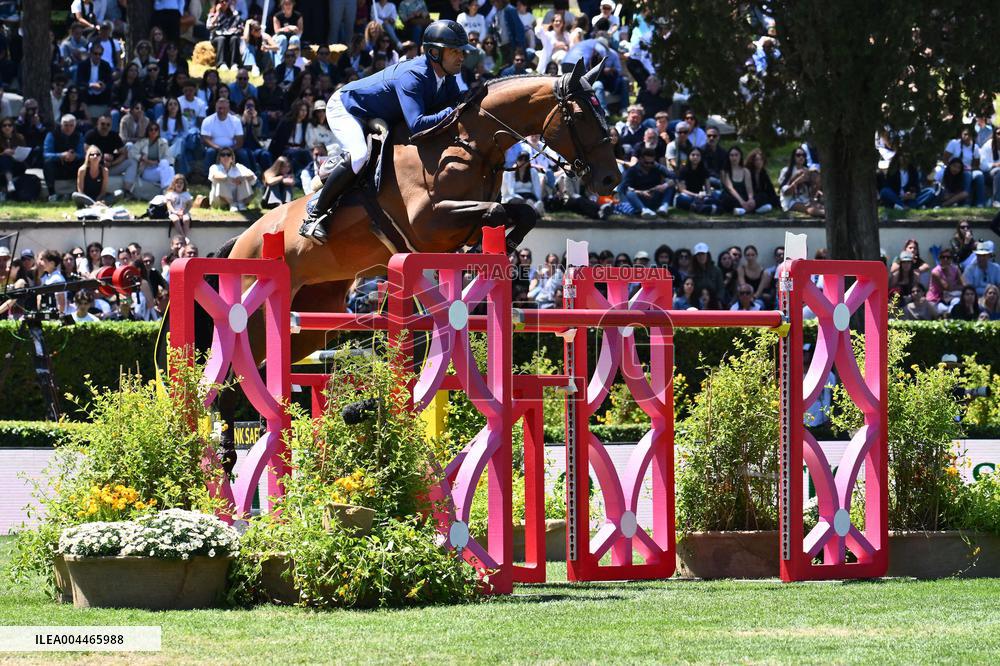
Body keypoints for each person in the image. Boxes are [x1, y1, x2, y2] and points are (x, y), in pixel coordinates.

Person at [299, 19, 474, 244]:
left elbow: (455, 109)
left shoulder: (447, 79)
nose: (461, 57)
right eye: (455, 51)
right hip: (348, 108)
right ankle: (316, 213)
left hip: (379, 113)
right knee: (360, 155)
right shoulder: (414, 75)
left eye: (462, 51)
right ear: (433, 52)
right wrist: (455, 110)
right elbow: (418, 124)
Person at [619, 147, 672, 217]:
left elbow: (673, 177)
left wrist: (664, 186)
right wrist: (641, 193)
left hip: (654, 196)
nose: (649, 165)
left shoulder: (656, 168)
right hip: (639, 198)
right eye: (646, 163)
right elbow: (625, 188)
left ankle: (663, 208)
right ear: (640, 159)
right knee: (630, 193)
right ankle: (644, 210)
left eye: (651, 163)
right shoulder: (632, 171)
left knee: (669, 186)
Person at [43, 115, 86, 202]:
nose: (68, 128)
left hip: (73, 165)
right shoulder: (51, 135)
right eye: (66, 125)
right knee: (47, 163)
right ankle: (52, 194)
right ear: (61, 125)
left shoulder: (79, 135)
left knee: (83, 162)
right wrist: (61, 155)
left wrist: (74, 156)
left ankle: (80, 193)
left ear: (75, 126)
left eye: (71, 125)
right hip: (58, 165)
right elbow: (46, 154)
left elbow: (82, 153)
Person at [939, 126, 984, 207]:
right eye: (965, 134)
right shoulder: (954, 143)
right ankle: (966, 202)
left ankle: (980, 203)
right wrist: (953, 168)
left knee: (979, 175)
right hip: (954, 168)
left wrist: (970, 168)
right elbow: (945, 159)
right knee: (967, 175)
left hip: (968, 169)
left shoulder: (975, 147)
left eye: (969, 135)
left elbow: (976, 165)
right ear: (961, 134)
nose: (967, 137)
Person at [779, 148, 824, 218]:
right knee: (809, 209)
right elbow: (785, 192)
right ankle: (827, 215)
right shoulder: (786, 170)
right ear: (793, 157)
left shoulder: (807, 170)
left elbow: (812, 194)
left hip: (805, 199)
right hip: (790, 201)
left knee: (819, 206)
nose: (801, 157)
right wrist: (797, 180)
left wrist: (817, 183)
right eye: (798, 155)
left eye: (804, 155)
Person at [130, 122, 175, 191]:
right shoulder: (143, 142)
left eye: (156, 129)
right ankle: (168, 189)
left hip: (158, 168)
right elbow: (132, 152)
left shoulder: (163, 142)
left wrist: (156, 162)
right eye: (151, 129)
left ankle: (167, 188)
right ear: (148, 131)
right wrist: (141, 158)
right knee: (167, 169)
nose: (153, 131)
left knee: (169, 168)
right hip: (146, 170)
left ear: (158, 131)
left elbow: (170, 159)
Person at [673, 147, 717, 215]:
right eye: (693, 155)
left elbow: (708, 190)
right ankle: (703, 208)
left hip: (699, 196)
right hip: (687, 195)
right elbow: (682, 190)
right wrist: (695, 195)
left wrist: (706, 195)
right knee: (682, 199)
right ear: (689, 156)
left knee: (713, 197)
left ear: (701, 157)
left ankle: (699, 207)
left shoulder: (704, 171)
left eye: (698, 155)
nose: (695, 157)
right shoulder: (683, 170)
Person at [719, 146, 756, 215]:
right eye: (731, 155)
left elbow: (749, 188)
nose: (734, 158)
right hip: (732, 196)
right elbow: (730, 189)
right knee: (726, 200)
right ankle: (747, 209)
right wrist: (742, 202)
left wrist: (750, 199)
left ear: (740, 156)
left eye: (736, 155)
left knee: (761, 196)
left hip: (742, 195)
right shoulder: (724, 171)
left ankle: (742, 210)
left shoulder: (746, 171)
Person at [207, 0, 244, 68]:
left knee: (234, 38)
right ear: (217, 3)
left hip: (229, 37)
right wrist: (217, 13)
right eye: (222, 1)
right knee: (221, 38)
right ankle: (221, 64)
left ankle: (234, 64)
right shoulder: (213, 14)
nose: (224, 3)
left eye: (226, 1)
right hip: (216, 38)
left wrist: (236, 29)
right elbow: (209, 26)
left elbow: (240, 27)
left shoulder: (232, 14)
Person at [927, 248, 964, 315]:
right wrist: (947, 272)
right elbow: (947, 288)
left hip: (950, 297)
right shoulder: (935, 272)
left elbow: (964, 285)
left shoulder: (955, 269)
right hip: (936, 300)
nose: (945, 259)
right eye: (943, 257)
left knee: (957, 304)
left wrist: (955, 288)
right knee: (945, 310)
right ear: (940, 259)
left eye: (948, 257)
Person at [271, 0, 304, 66]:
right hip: (280, 35)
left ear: (293, 4)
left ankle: (297, 64)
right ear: (282, 5)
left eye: (290, 3)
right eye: (286, 4)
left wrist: (295, 29)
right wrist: (289, 28)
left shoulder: (298, 15)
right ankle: (280, 65)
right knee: (282, 39)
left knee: (295, 39)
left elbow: (300, 30)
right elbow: (277, 31)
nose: (288, 6)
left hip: (293, 35)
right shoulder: (277, 16)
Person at [979, 126, 1000, 208]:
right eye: (998, 133)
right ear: (994, 134)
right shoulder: (988, 145)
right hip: (989, 173)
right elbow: (982, 165)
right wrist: (994, 165)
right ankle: (997, 200)